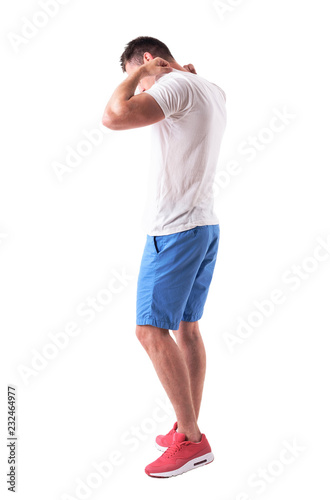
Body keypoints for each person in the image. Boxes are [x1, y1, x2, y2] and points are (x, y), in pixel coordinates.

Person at [102, 36, 227, 478]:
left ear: (149, 60)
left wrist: (144, 74)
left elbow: (113, 117)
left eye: (136, 77)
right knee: (187, 329)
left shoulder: (173, 84)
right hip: (203, 226)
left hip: (174, 232)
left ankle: (191, 441)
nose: (138, 90)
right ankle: (185, 426)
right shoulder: (210, 87)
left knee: (149, 331)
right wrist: (158, 73)